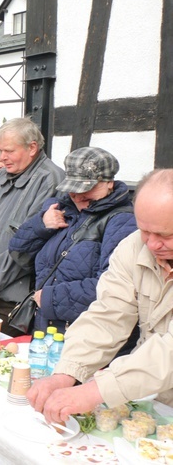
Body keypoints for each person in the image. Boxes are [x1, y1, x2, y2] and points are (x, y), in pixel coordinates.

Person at [28, 169, 173, 425]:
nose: (151, 245)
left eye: (165, 235)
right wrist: (67, 372)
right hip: (153, 397)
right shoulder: (132, 247)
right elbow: (108, 315)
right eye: (144, 231)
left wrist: (96, 390)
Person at [9, 147, 137, 334]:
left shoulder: (122, 221)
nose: (77, 196)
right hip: (46, 326)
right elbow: (18, 251)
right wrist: (41, 224)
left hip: (87, 332)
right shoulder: (60, 207)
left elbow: (112, 287)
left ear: (109, 183)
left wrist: (49, 298)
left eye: (86, 188)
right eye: (72, 189)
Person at [0, 117, 65, 336]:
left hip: (13, 298)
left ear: (32, 148)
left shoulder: (50, 180)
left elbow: (31, 245)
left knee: (3, 361)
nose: (2, 157)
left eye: (9, 150)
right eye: (0, 150)